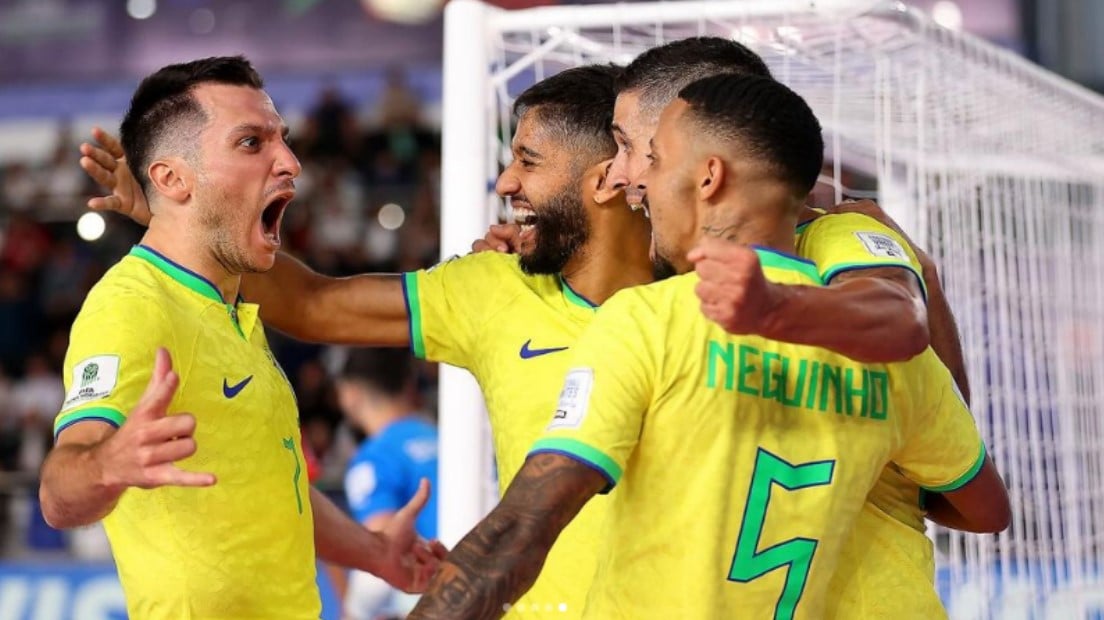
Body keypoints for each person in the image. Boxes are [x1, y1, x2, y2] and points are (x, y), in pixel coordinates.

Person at [407, 73, 1010, 620]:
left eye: (649, 157)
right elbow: (986, 511)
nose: (631, 177)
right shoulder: (894, 351)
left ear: (708, 176)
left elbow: (520, 531)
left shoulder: (648, 321)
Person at [38, 56, 443, 619]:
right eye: (251, 143)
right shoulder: (131, 306)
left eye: (284, 140)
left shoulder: (232, 309)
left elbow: (274, 493)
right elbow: (59, 491)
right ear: (172, 179)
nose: (291, 163)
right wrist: (107, 463)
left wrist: (373, 552)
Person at [336, 348, 439, 620]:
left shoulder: (374, 459)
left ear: (350, 393)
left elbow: (383, 548)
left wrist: (355, 612)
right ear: (408, 385)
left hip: (433, 596)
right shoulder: (442, 437)